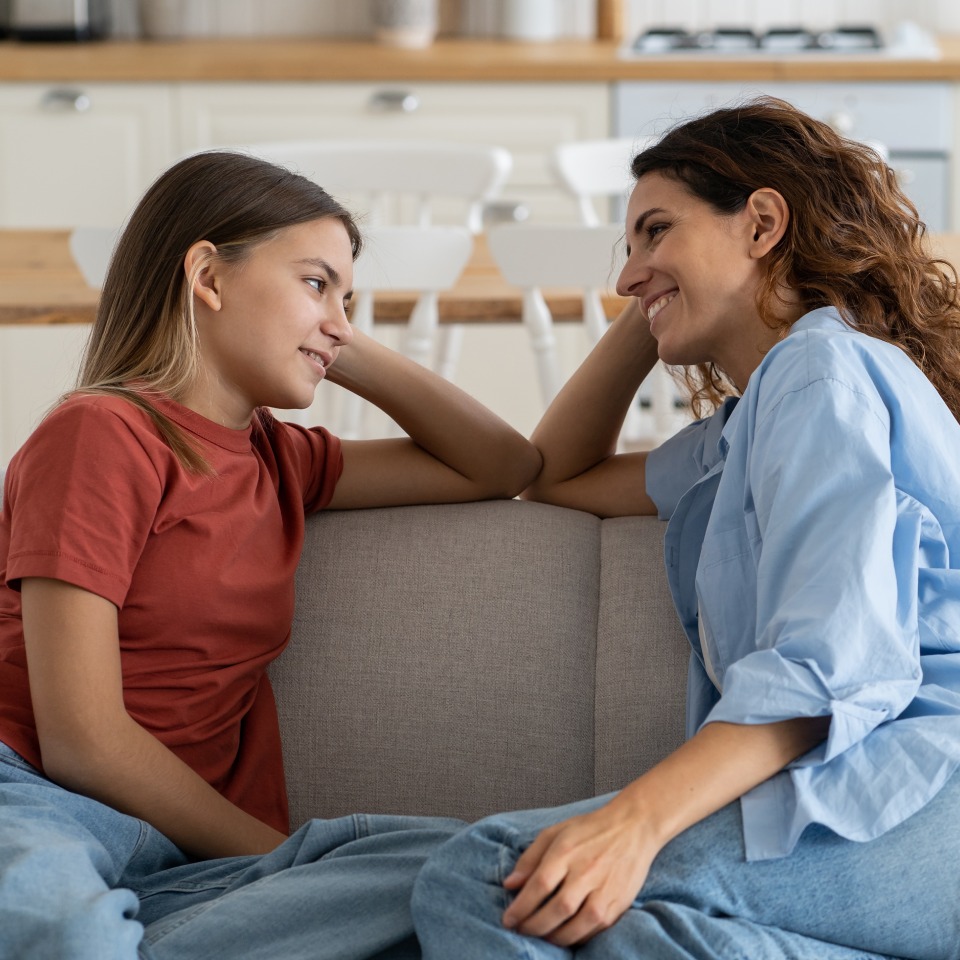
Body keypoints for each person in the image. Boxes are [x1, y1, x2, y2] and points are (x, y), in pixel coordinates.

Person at [410, 97, 960, 959]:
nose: (625, 276)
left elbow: (826, 667)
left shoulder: (822, 374)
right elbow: (556, 472)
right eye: (627, 249)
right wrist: (660, 294)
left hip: (923, 789)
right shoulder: (751, 424)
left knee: (491, 873)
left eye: (655, 230)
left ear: (762, 222)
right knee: (624, 928)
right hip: (889, 803)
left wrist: (632, 823)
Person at [0, 150, 541, 960]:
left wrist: (334, 338)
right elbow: (83, 740)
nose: (337, 315)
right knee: (65, 926)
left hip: (175, 862)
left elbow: (503, 465)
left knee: (476, 868)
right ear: (208, 277)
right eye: (316, 282)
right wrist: (275, 857)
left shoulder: (282, 461)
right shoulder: (101, 435)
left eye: (347, 296)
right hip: (38, 798)